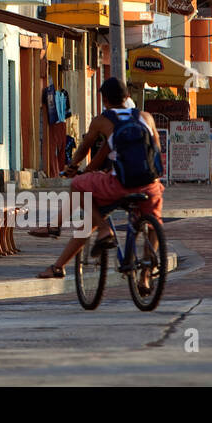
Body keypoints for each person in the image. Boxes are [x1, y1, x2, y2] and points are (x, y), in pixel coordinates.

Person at [36, 76, 164, 279]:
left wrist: (72, 167)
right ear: (127, 97)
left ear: (104, 100)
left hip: (120, 184)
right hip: (150, 184)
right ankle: (146, 276)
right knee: (154, 222)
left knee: (79, 188)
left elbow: (83, 150)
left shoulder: (102, 121)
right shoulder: (145, 117)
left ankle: (103, 230)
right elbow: (155, 150)